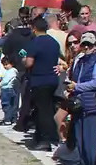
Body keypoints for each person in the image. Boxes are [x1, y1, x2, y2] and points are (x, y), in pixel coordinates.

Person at [65, 32, 96, 165]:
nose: (86, 47)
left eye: (89, 45)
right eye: (84, 44)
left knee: (90, 139)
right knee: (80, 137)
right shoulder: (79, 60)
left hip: (91, 104)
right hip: (78, 104)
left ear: (95, 46)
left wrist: (77, 87)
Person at [22, 16, 64, 151]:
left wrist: (23, 60)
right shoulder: (54, 42)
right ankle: (40, 136)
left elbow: (29, 62)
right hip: (52, 79)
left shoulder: (36, 42)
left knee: (42, 111)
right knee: (47, 108)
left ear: (34, 29)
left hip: (39, 79)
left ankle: (45, 140)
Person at [0, 55, 19, 125]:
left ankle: (7, 120)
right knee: (13, 105)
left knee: (6, 105)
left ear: (12, 64)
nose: (5, 66)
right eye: (4, 65)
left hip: (7, 90)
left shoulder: (11, 71)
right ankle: (14, 119)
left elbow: (5, 81)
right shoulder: (14, 71)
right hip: (11, 90)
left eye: (6, 64)